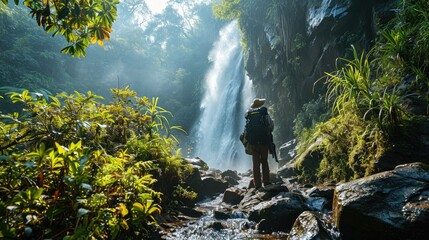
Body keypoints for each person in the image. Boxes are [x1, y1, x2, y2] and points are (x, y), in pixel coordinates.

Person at [244, 98, 274, 189]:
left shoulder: (249, 115)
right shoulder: (264, 113)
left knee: (255, 163)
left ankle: (257, 185)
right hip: (264, 141)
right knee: (264, 161)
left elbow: (246, 130)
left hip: (253, 143)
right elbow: (271, 125)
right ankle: (266, 182)